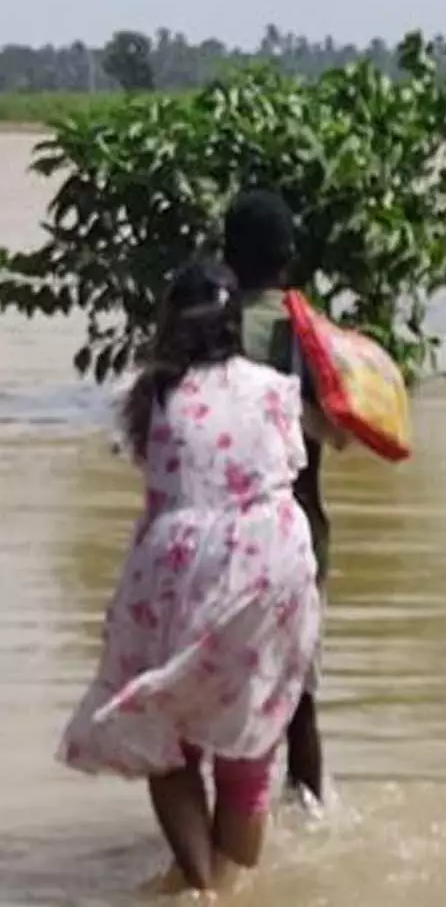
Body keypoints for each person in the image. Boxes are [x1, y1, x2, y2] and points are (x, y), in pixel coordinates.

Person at [57, 260, 323, 894]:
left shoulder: (146, 395)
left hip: (178, 560)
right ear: (234, 324)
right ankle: (223, 880)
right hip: (272, 562)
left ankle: (200, 886)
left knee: (162, 728)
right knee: (250, 727)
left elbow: (162, 474)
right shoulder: (275, 387)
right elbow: (292, 460)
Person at [221, 189, 338, 812]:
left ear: (226, 258)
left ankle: (231, 826)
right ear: (290, 257)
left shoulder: (205, 329)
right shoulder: (309, 332)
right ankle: (313, 815)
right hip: (300, 532)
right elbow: (345, 430)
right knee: (302, 699)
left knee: (223, 694)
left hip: (220, 537)